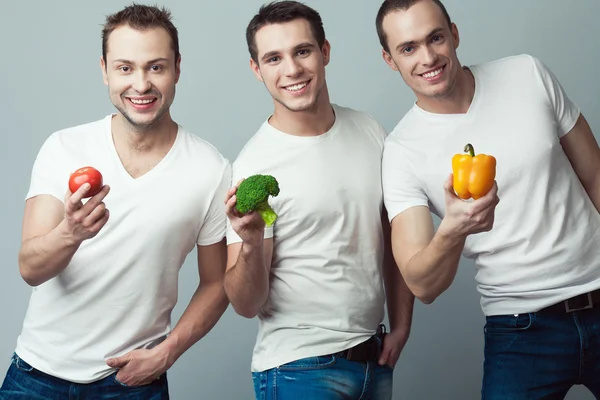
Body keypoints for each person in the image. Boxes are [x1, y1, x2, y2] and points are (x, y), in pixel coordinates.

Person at [0, 4, 231, 399]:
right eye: (125, 68)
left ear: (177, 67)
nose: (141, 84)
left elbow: (216, 282)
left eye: (155, 67)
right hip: (37, 376)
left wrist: (167, 352)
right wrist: (69, 233)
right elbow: (30, 269)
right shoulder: (64, 147)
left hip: (132, 383)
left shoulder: (210, 168)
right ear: (105, 70)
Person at [376, 0, 600, 398]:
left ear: (455, 34)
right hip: (520, 330)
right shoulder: (401, 151)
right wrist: (453, 229)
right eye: (408, 48)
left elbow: (595, 175)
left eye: (436, 37)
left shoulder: (527, 73)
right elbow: (421, 284)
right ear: (390, 59)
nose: (427, 57)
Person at [222, 1, 415, 399]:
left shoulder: (369, 130)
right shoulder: (253, 167)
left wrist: (401, 325)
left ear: (325, 52)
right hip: (298, 368)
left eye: (302, 51)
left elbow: (395, 240)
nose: (292, 70)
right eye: (273, 58)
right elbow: (245, 303)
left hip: (372, 361)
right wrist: (251, 245)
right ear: (257, 70)